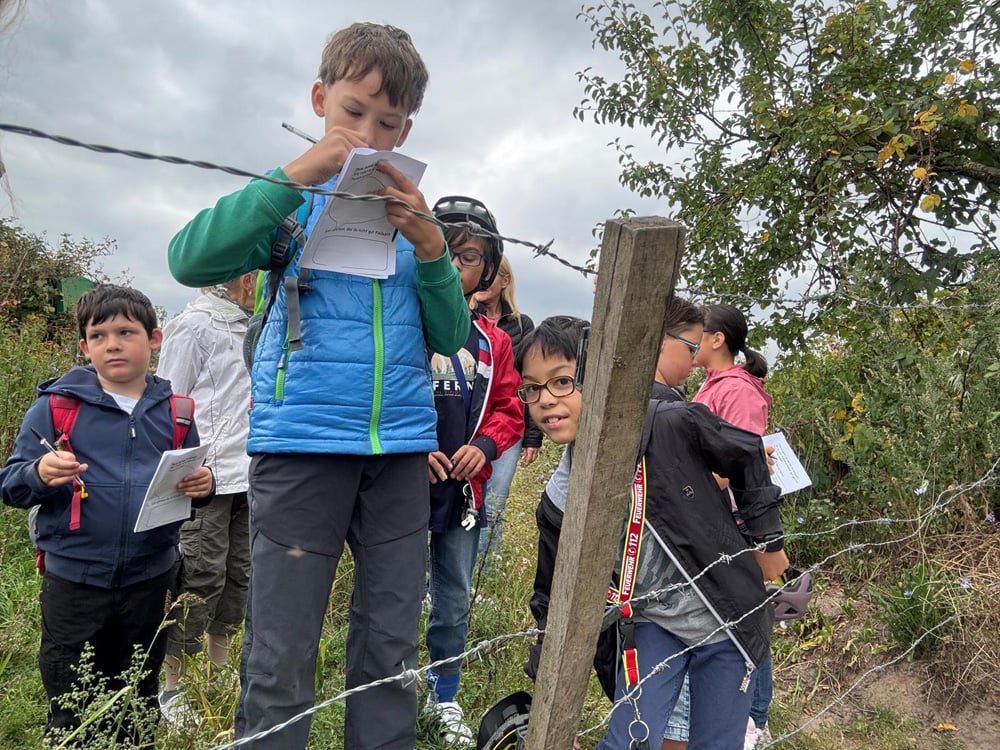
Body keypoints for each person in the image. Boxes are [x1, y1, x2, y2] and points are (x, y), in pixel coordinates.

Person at [166, 22, 470, 750]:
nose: (368, 133)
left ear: (406, 130)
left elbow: (452, 335)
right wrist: (297, 172)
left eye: (387, 123)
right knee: (281, 647)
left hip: (398, 450)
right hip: (300, 442)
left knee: (392, 647)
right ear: (318, 98)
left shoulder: (410, 218)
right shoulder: (288, 205)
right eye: (353, 112)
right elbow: (189, 257)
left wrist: (431, 249)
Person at [515, 312, 787, 750]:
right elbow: (550, 597)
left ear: (603, 374)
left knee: (714, 744)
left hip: (725, 620)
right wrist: (548, 704)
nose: (545, 400)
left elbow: (747, 452)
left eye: (563, 381)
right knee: (627, 743)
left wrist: (767, 543)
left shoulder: (667, 423)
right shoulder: (559, 504)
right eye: (532, 387)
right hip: (654, 623)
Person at [0, 284, 214, 745]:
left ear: (154, 339)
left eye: (125, 331)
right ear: (84, 347)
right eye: (98, 335)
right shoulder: (55, 407)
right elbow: (11, 486)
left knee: (138, 698)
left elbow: (185, 488)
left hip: (152, 581)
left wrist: (204, 485)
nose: (112, 343)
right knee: (72, 702)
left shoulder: (177, 413)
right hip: (75, 585)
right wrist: (39, 471)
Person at [423, 196, 523, 745]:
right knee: (389, 591)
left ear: (487, 271)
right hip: (400, 485)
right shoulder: (400, 325)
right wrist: (412, 447)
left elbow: (510, 407)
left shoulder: (494, 341)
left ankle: (444, 693)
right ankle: (386, 683)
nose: (453, 267)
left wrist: (485, 446)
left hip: (461, 492)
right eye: (444, 253)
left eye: (466, 258)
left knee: (454, 594)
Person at [155, 272, 257, 723]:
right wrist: (177, 470)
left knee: (239, 575)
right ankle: (173, 687)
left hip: (252, 474)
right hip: (205, 479)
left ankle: (217, 670)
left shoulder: (260, 321)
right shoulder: (195, 323)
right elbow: (170, 401)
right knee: (199, 576)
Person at [693, 303, 774, 749]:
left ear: (718, 338)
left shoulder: (738, 390)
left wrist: (691, 478)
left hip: (733, 521)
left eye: (699, 334)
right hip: (712, 515)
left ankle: (755, 721)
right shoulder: (712, 385)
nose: (693, 342)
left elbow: (741, 459)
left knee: (744, 611)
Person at [472, 255, 541, 556]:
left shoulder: (523, 326)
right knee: (464, 496)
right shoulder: (463, 321)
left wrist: (532, 437)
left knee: (495, 499)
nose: (484, 280)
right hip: (471, 423)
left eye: (492, 273)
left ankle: (486, 569)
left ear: (505, 281)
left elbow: (530, 381)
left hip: (507, 426)